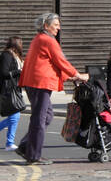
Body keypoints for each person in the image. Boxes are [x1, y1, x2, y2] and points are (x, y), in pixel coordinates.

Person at [16, 13, 89, 164]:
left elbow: (48, 64)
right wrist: (78, 74)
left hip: (35, 82)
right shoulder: (48, 40)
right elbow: (60, 61)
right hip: (40, 84)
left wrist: (69, 76)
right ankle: (34, 155)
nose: (58, 28)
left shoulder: (39, 39)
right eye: (55, 25)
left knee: (47, 115)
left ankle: (25, 146)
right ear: (46, 26)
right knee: (40, 119)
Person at [1, 37, 24, 151]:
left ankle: (9, 143)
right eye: (20, 43)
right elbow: (4, 73)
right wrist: (19, 72)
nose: (22, 45)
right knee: (15, 116)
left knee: (14, 116)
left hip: (14, 89)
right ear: (15, 44)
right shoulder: (7, 55)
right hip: (8, 90)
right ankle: (9, 143)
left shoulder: (15, 56)